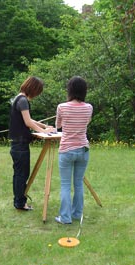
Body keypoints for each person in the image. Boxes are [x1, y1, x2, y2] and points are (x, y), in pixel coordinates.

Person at [9, 76, 55, 211]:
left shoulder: (18, 98)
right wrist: (45, 132)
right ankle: (20, 203)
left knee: (19, 173)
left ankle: (19, 201)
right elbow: (28, 122)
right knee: (21, 174)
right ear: (33, 89)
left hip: (17, 144)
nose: (36, 95)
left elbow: (29, 119)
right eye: (37, 91)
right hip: (20, 145)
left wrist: (44, 126)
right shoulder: (23, 100)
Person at [54, 76, 93, 224]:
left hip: (66, 149)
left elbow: (58, 125)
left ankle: (65, 218)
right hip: (83, 149)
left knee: (65, 184)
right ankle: (76, 214)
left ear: (69, 90)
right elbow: (86, 122)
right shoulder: (89, 107)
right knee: (78, 183)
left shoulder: (62, 107)